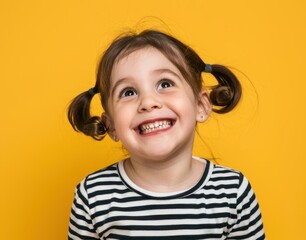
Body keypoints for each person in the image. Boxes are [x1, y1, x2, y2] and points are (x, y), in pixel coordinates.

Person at [67, 29, 265, 239]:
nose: (148, 102)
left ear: (200, 105)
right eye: (128, 92)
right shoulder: (93, 195)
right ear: (112, 125)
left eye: (165, 84)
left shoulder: (232, 192)